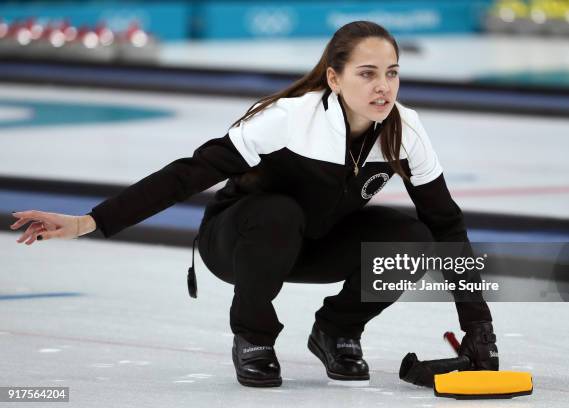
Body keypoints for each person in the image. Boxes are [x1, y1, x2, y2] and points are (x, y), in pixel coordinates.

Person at [10, 21, 498, 388]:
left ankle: (336, 331)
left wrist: (478, 328)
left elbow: (447, 225)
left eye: (391, 73)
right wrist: (89, 221)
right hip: (240, 240)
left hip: (315, 244)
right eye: (367, 74)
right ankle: (254, 335)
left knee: (414, 237)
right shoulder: (287, 119)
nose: (383, 87)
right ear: (333, 77)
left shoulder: (404, 131)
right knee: (278, 211)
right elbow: (187, 174)